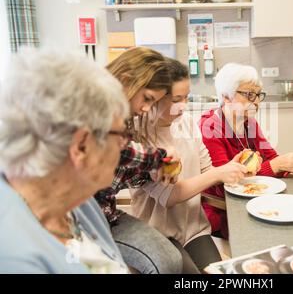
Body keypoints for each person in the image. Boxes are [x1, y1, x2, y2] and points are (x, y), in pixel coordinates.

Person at [0, 48, 130, 273]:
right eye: (120, 135)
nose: (124, 145)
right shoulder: (14, 257)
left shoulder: (78, 200)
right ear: (82, 146)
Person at [130, 59, 248, 273]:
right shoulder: (140, 138)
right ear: (154, 98)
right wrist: (218, 174)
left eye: (186, 97)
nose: (184, 105)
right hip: (158, 232)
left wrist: (228, 169)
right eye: (177, 99)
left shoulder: (188, 123)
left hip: (194, 229)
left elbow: (207, 170)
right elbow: (169, 197)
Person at [199, 63, 293, 238]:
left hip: (256, 201)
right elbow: (225, 185)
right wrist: (275, 166)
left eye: (258, 95)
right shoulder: (211, 128)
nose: (256, 102)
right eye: (249, 95)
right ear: (226, 97)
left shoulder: (248, 122)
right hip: (225, 212)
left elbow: (272, 158)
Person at [94, 47, 182, 274]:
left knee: (170, 261)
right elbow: (118, 152)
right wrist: (159, 159)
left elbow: (118, 170)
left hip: (107, 213)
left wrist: (155, 168)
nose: (145, 109)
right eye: (147, 99)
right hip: (91, 221)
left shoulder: (120, 115)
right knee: (166, 262)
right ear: (125, 80)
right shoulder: (95, 110)